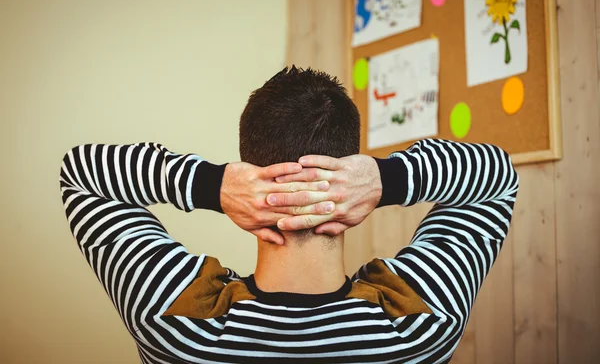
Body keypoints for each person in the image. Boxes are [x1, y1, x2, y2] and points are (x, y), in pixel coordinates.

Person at [59, 67, 519, 363]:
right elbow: (496, 178)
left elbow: (80, 171)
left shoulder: (176, 323)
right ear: (348, 166)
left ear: (249, 172)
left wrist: (212, 186)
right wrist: (385, 179)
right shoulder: (419, 324)